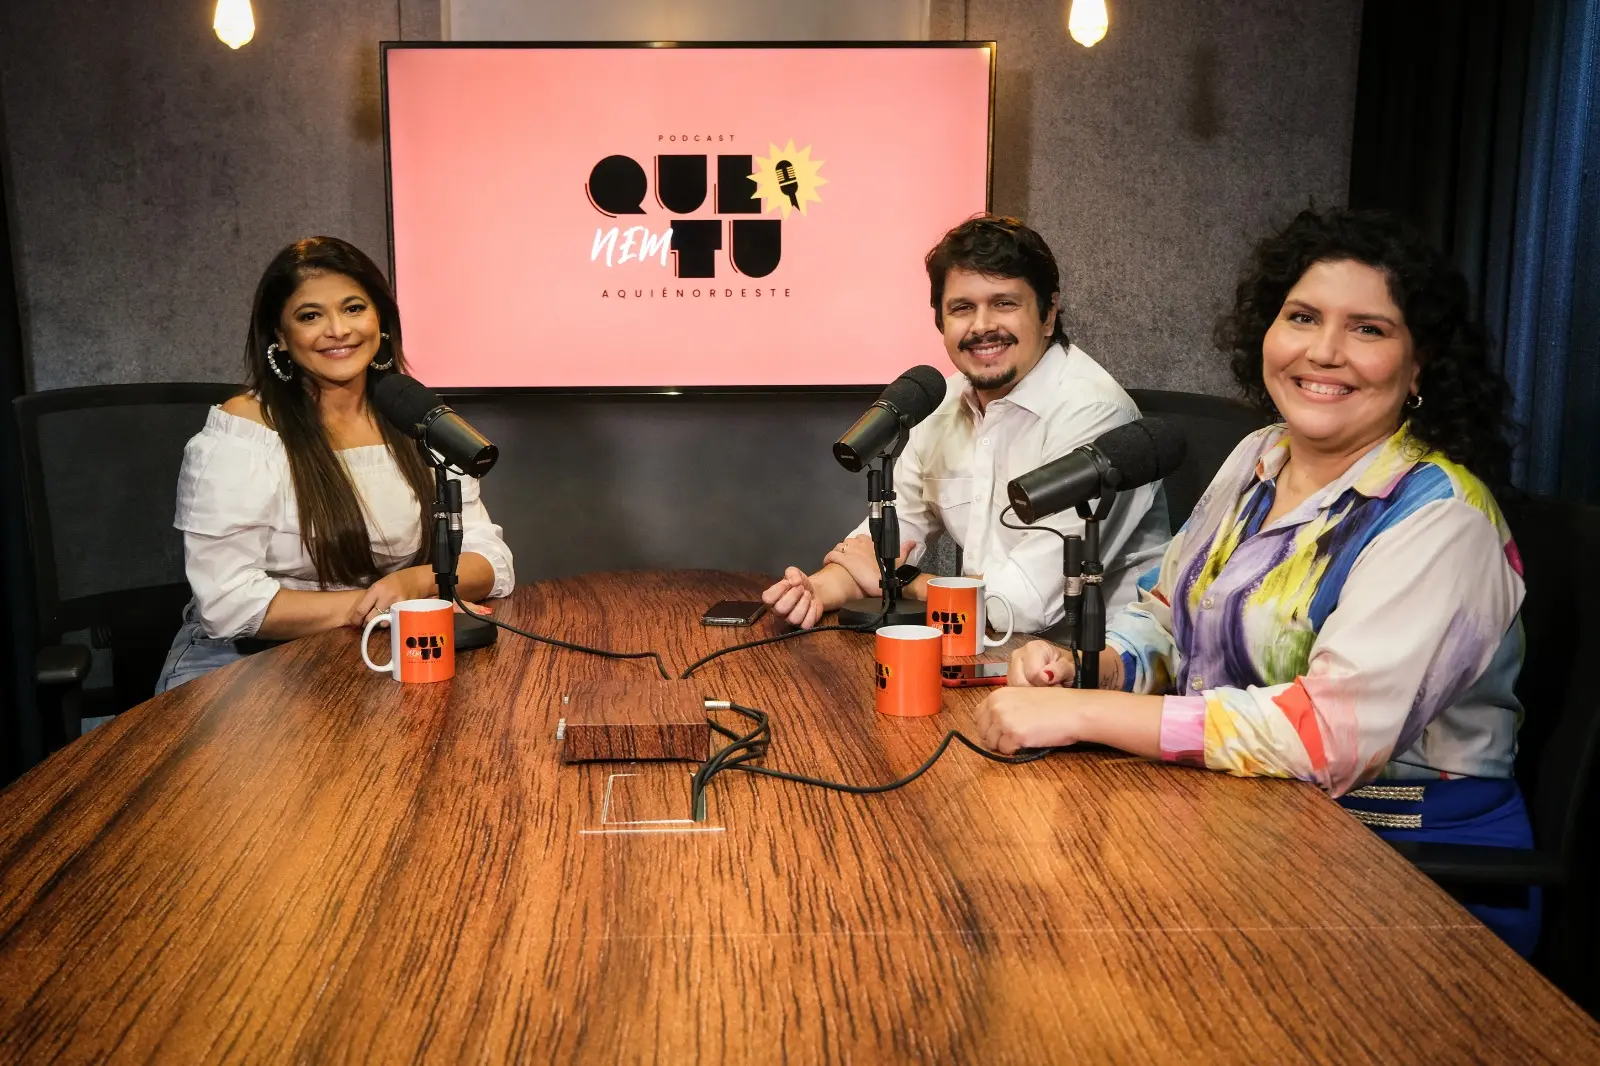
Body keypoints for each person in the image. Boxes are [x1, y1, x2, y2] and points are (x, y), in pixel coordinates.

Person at [977, 207, 1534, 954]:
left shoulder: (1444, 519)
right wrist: (1098, 665)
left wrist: (1087, 714)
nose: (1324, 351)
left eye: (1368, 329)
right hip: (1253, 828)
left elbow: (1325, 738)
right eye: (1302, 316)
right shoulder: (1259, 457)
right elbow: (1169, 614)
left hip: (1415, 879)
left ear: (1420, 360)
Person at [762, 215, 1170, 634]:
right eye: (962, 308)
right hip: (983, 649)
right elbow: (888, 540)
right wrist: (818, 589)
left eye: (1004, 303)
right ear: (940, 322)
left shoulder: (1094, 414)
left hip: (1094, 669)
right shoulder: (941, 405)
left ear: (1048, 315)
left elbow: (1022, 604)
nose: (982, 326)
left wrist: (905, 583)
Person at [155, 237, 515, 692]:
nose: (338, 330)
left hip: (377, 647)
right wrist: (377, 605)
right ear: (281, 337)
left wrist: (418, 582)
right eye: (310, 316)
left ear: (380, 320)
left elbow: (491, 561)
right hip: (245, 659)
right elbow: (227, 604)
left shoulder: (411, 415)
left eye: (353, 308)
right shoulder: (243, 432)